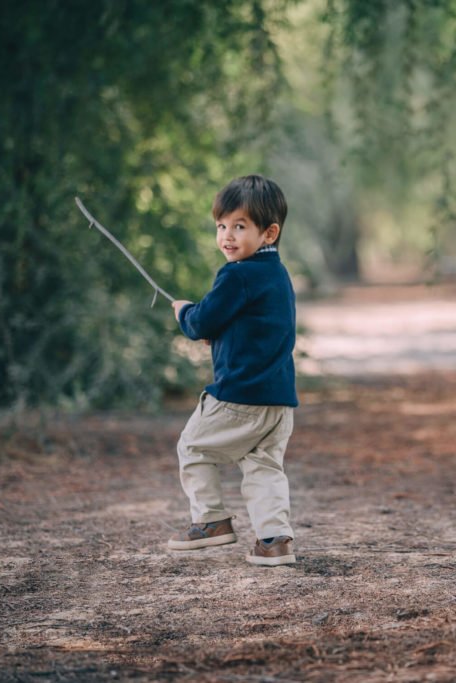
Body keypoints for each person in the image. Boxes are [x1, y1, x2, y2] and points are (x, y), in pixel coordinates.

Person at [167, 174, 298, 566]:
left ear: (269, 233)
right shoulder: (277, 276)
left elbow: (201, 322)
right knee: (263, 467)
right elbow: (260, 327)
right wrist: (224, 335)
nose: (227, 236)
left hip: (239, 396)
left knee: (192, 447)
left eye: (239, 226)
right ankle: (274, 541)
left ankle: (211, 521)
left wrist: (184, 312)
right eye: (221, 226)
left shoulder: (236, 274)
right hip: (278, 401)